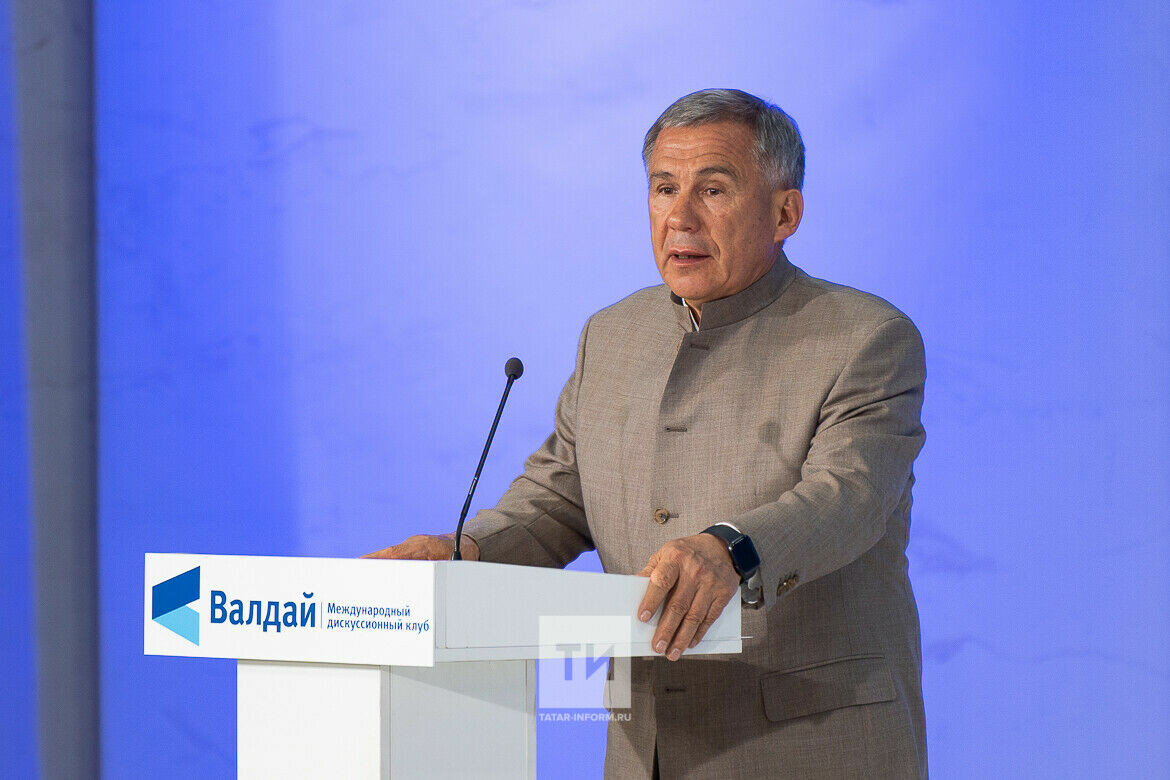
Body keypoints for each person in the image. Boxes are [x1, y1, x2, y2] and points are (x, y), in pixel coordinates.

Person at [366, 88, 927, 779]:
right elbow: (558, 497)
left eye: (713, 190)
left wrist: (729, 550)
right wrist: (465, 552)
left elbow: (850, 497)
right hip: (648, 748)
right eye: (664, 188)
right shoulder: (613, 335)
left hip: (809, 743)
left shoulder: (865, 338)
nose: (680, 216)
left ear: (785, 213)